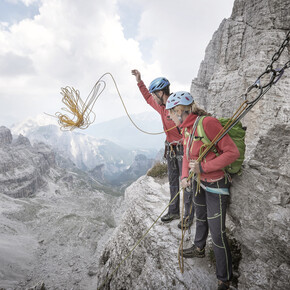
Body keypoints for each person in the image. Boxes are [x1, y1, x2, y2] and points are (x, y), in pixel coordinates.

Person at [166, 91, 240, 290]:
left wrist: (203, 168)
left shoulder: (207, 123)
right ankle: (199, 248)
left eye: (171, 113)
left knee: (218, 233)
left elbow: (233, 152)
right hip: (199, 182)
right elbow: (186, 154)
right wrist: (184, 177)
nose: (169, 117)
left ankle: (224, 278)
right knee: (200, 217)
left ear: (180, 111)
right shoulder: (186, 128)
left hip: (215, 184)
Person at [131, 70, 194, 227]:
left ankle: (188, 215)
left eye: (154, 94)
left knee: (185, 181)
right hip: (171, 148)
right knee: (173, 180)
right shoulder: (161, 106)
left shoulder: (178, 107)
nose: (152, 97)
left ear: (160, 92)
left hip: (183, 148)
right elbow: (146, 97)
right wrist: (139, 81)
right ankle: (173, 211)